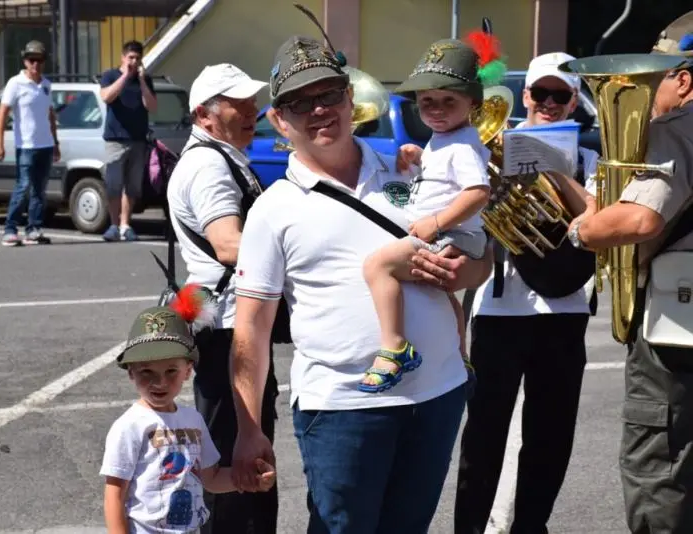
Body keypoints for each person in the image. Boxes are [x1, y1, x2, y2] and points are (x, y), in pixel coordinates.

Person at [229, 35, 493, 534]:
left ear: (351, 99)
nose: (320, 110)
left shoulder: (410, 167)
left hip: (437, 393)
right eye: (300, 103)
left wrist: (468, 272)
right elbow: (251, 328)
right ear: (279, 120)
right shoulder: (272, 209)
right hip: (344, 408)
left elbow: (478, 257)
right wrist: (247, 427)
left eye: (329, 94)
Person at [452, 51, 600, 534]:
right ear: (526, 96)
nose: (550, 103)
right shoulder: (490, 149)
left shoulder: (591, 157)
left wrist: (555, 170)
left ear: (575, 101)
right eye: (542, 93)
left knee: (551, 436)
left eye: (562, 95)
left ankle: (531, 526)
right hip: (500, 308)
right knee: (484, 436)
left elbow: (598, 218)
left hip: (565, 309)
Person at [567, 32, 693, 534]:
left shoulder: (677, 128)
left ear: (683, 79)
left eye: (657, 75)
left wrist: (584, 229)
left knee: (658, 462)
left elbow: (640, 221)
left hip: (675, 331)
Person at [165, 63, 280, 534]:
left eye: (254, 100)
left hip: (230, 322)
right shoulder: (209, 164)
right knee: (234, 462)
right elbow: (228, 244)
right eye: (240, 102)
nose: (255, 110)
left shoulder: (220, 155)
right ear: (205, 114)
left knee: (241, 457)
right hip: (230, 327)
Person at [359, 37, 493, 393]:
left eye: (449, 100)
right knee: (448, 298)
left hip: (453, 235)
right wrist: (420, 158)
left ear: (472, 103)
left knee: (379, 266)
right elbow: (445, 180)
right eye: (427, 101)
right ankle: (459, 353)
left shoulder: (461, 144)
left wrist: (435, 224)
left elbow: (479, 192)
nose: (436, 109)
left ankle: (394, 348)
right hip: (458, 236)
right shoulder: (446, 140)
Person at [100, 285, 276, 534]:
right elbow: (115, 494)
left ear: (188, 370)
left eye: (171, 371)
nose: (159, 382)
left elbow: (212, 479)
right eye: (146, 372)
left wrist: (248, 480)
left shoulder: (193, 420)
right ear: (130, 372)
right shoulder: (129, 426)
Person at [0, 40, 60, 247]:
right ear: (25, 61)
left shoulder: (46, 85)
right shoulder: (15, 83)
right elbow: (3, 112)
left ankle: (34, 229)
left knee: (40, 190)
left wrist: (55, 142)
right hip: (26, 145)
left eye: (39, 60)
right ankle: (10, 229)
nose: (36, 64)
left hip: (45, 145)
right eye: (32, 60)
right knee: (23, 186)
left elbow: (50, 115)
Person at [99, 40, 158, 242]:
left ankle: (126, 225)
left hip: (138, 139)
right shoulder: (110, 76)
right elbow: (106, 97)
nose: (134, 61)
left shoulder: (145, 80)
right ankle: (113, 225)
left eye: (137, 58)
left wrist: (141, 81)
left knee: (132, 187)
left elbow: (151, 106)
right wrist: (125, 76)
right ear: (123, 58)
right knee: (114, 184)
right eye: (130, 57)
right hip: (116, 139)